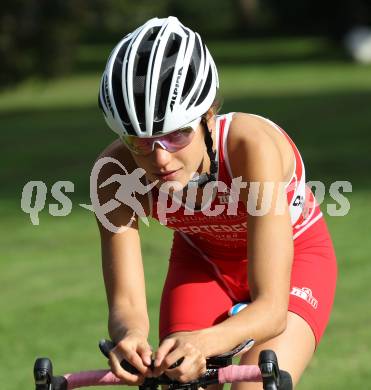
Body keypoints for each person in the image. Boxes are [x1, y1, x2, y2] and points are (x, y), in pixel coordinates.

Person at [95, 16, 337, 389]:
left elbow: (271, 310)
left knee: (252, 385)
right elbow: (125, 304)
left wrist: (202, 342)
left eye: (176, 135)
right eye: (139, 141)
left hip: (296, 260)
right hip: (202, 264)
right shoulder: (113, 175)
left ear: (208, 114)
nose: (159, 158)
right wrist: (130, 338)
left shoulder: (250, 147)